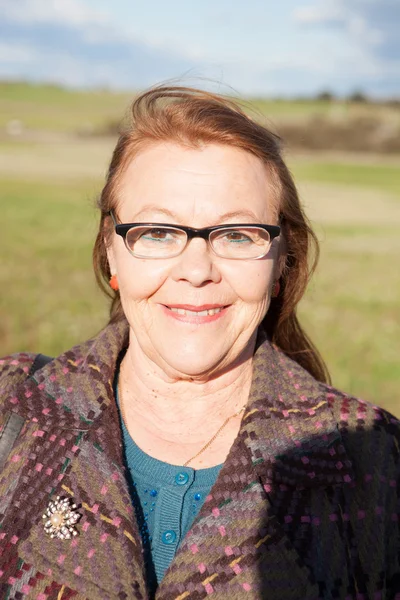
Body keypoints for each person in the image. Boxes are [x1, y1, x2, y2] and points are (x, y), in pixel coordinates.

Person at [0, 85, 399, 600]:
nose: (196, 271)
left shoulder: (376, 465)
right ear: (112, 252)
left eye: (237, 235)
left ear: (280, 262)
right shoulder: (10, 409)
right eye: (158, 232)